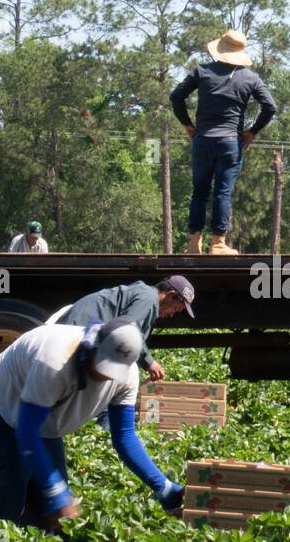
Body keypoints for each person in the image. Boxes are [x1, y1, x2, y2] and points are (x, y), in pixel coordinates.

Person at [0, 318, 185, 540]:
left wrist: (164, 487)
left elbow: (124, 436)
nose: (103, 375)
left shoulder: (127, 376)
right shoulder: (55, 361)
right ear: (92, 346)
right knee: (7, 498)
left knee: (51, 515)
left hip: (44, 421)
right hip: (1, 408)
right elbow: (27, 431)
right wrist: (55, 490)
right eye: (102, 364)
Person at [170, 29, 277, 256]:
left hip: (203, 141)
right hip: (230, 142)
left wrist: (188, 124)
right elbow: (270, 107)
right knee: (222, 193)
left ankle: (193, 245)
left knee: (199, 192)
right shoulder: (251, 78)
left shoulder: (202, 71)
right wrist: (252, 131)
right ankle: (218, 244)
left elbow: (176, 96)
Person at [47, 276, 196, 384]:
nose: (171, 314)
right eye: (175, 309)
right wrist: (150, 362)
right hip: (75, 333)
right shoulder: (149, 299)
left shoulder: (144, 293)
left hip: (77, 333)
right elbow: (129, 329)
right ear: (170, 295)